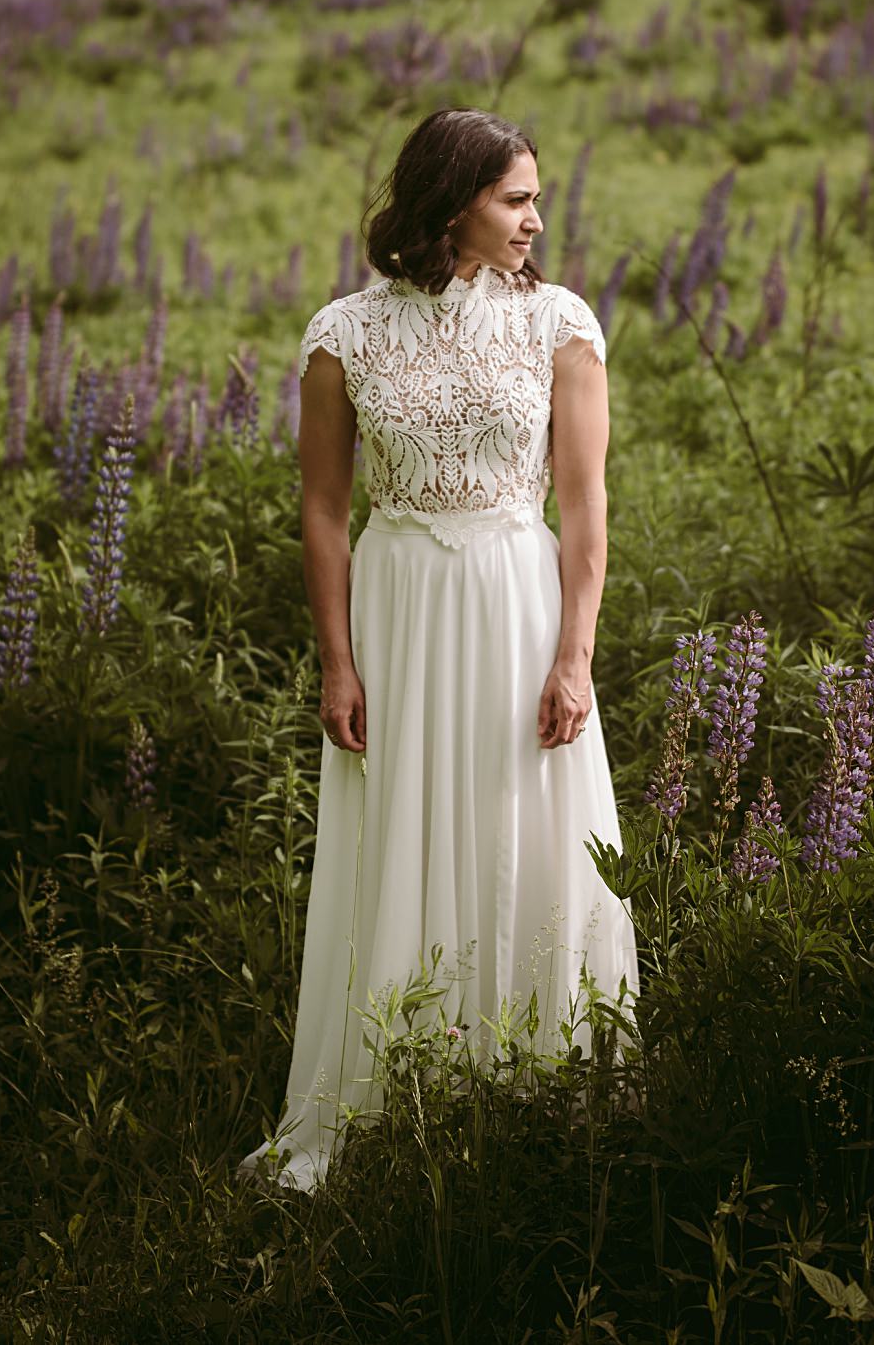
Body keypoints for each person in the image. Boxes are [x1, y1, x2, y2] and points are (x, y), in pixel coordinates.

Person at [238, 107, 638, 1190]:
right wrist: (337, 662)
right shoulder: (344, 334)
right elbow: (325, 510)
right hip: (401, 606)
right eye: (515, 199)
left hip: (517, 601)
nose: (534, 220)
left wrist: (574, 657)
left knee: (527, 831)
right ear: (452, 203)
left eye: (535, 198)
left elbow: (585, 505)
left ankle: (538, 1091)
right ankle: (393, 1095)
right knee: (402, 833)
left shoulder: (558, 323)